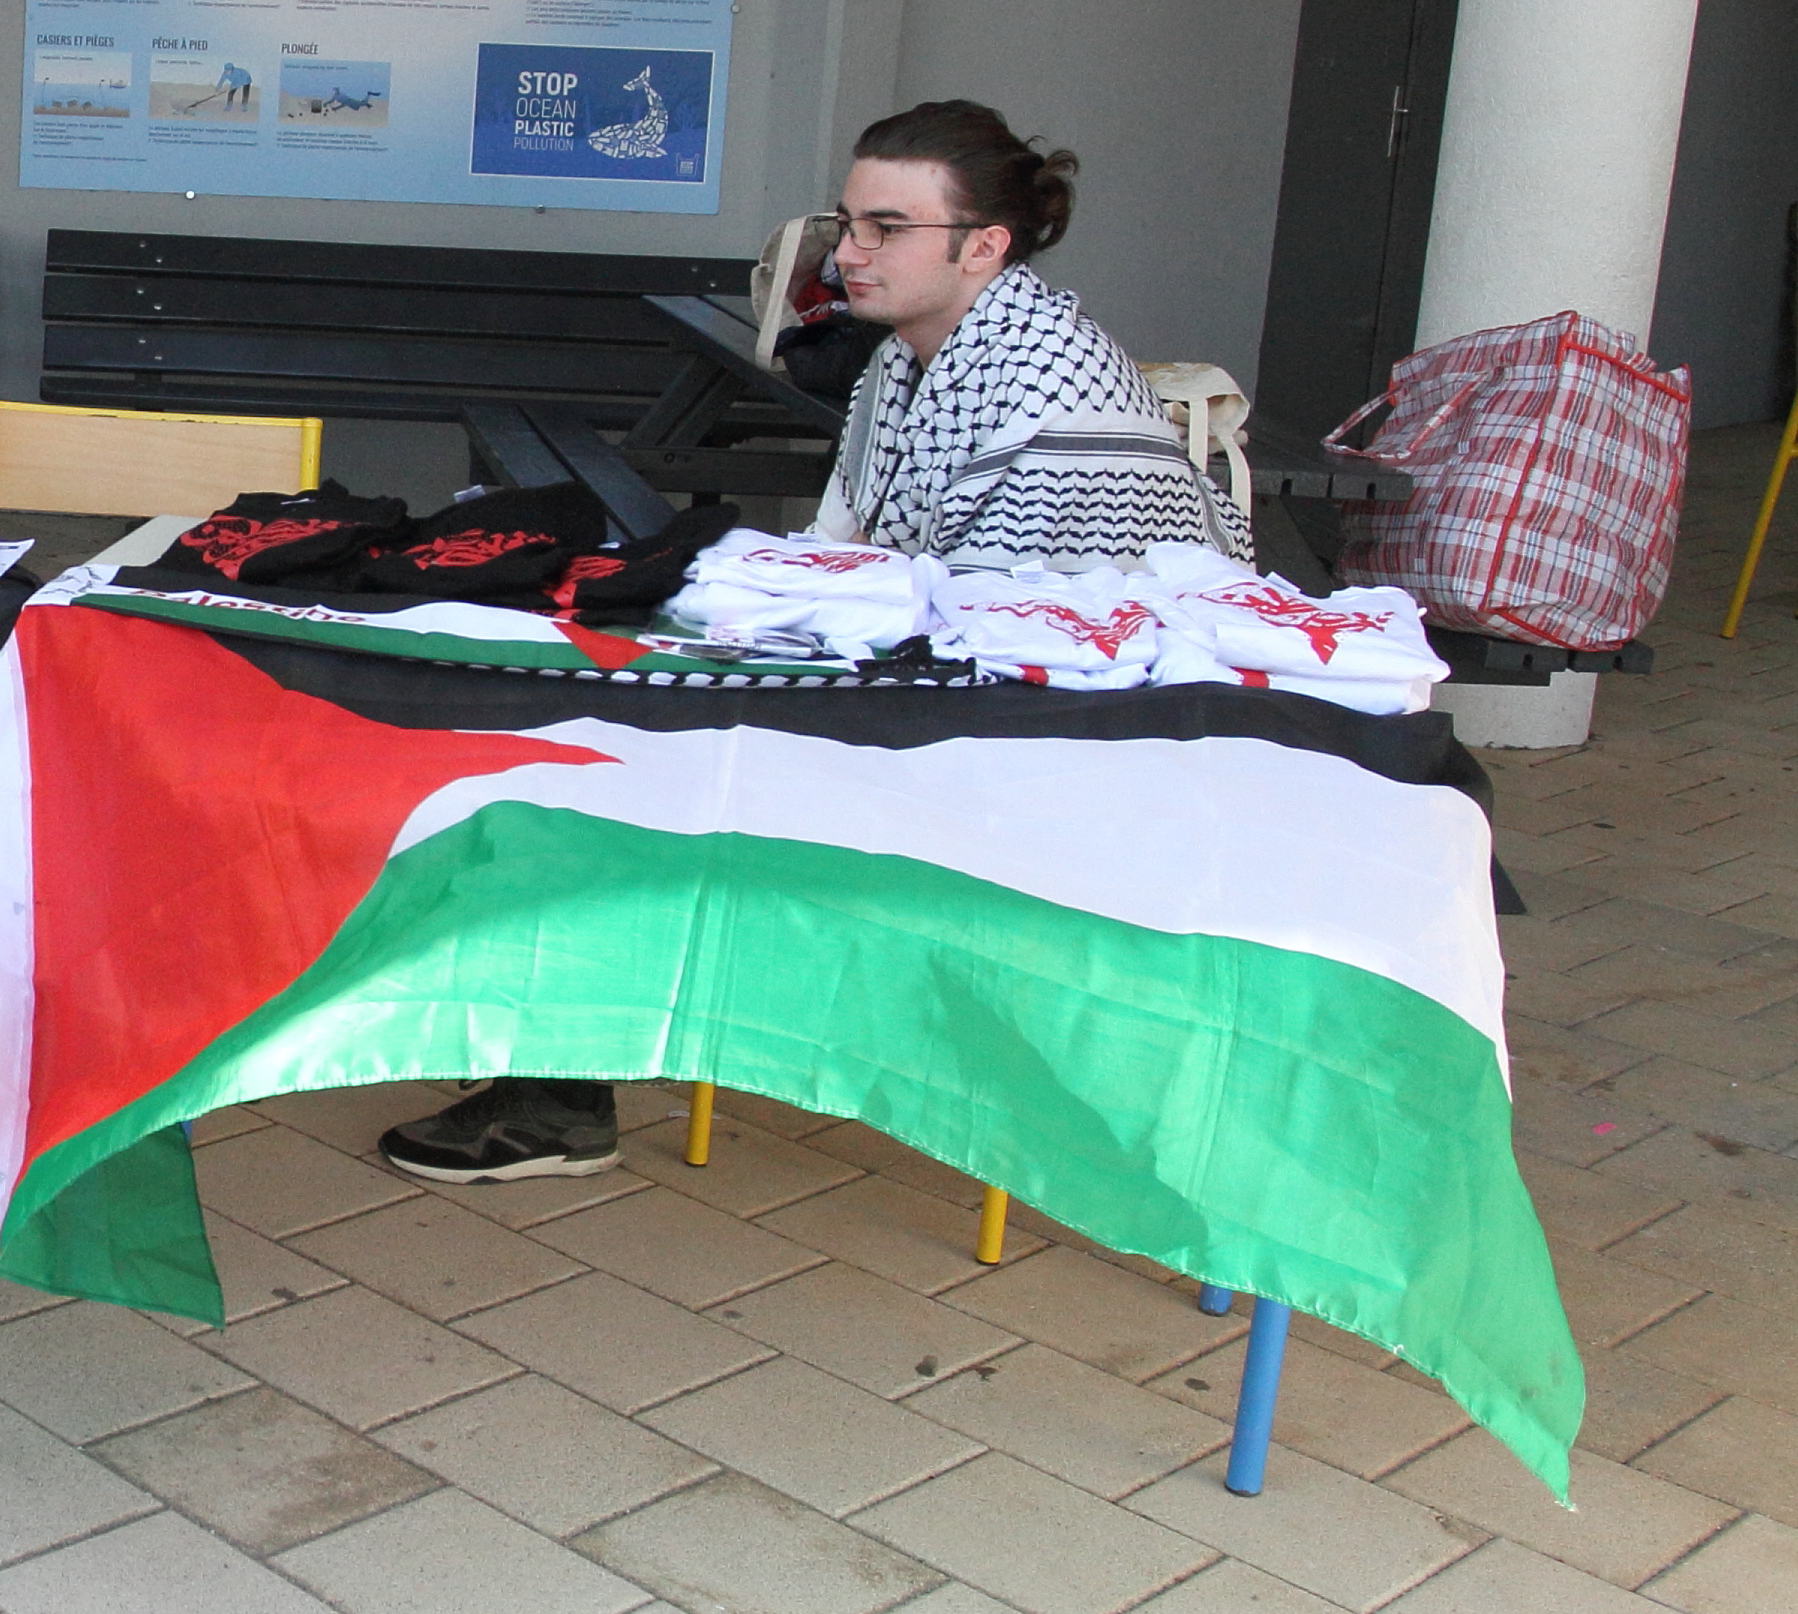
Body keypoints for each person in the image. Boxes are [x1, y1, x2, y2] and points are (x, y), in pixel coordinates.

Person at [381, 100, 1244, 1185]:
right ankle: (559, 1067)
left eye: (888, 228)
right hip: (941, 686)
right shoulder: (910, 359)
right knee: (597, 731)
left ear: (985, 247)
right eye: (847, 222)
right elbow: (851, 558)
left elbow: (1023, 654)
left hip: (1058, 751)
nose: (848, 255)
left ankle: (561, 1087)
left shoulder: (1051, 387)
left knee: (622, 770)